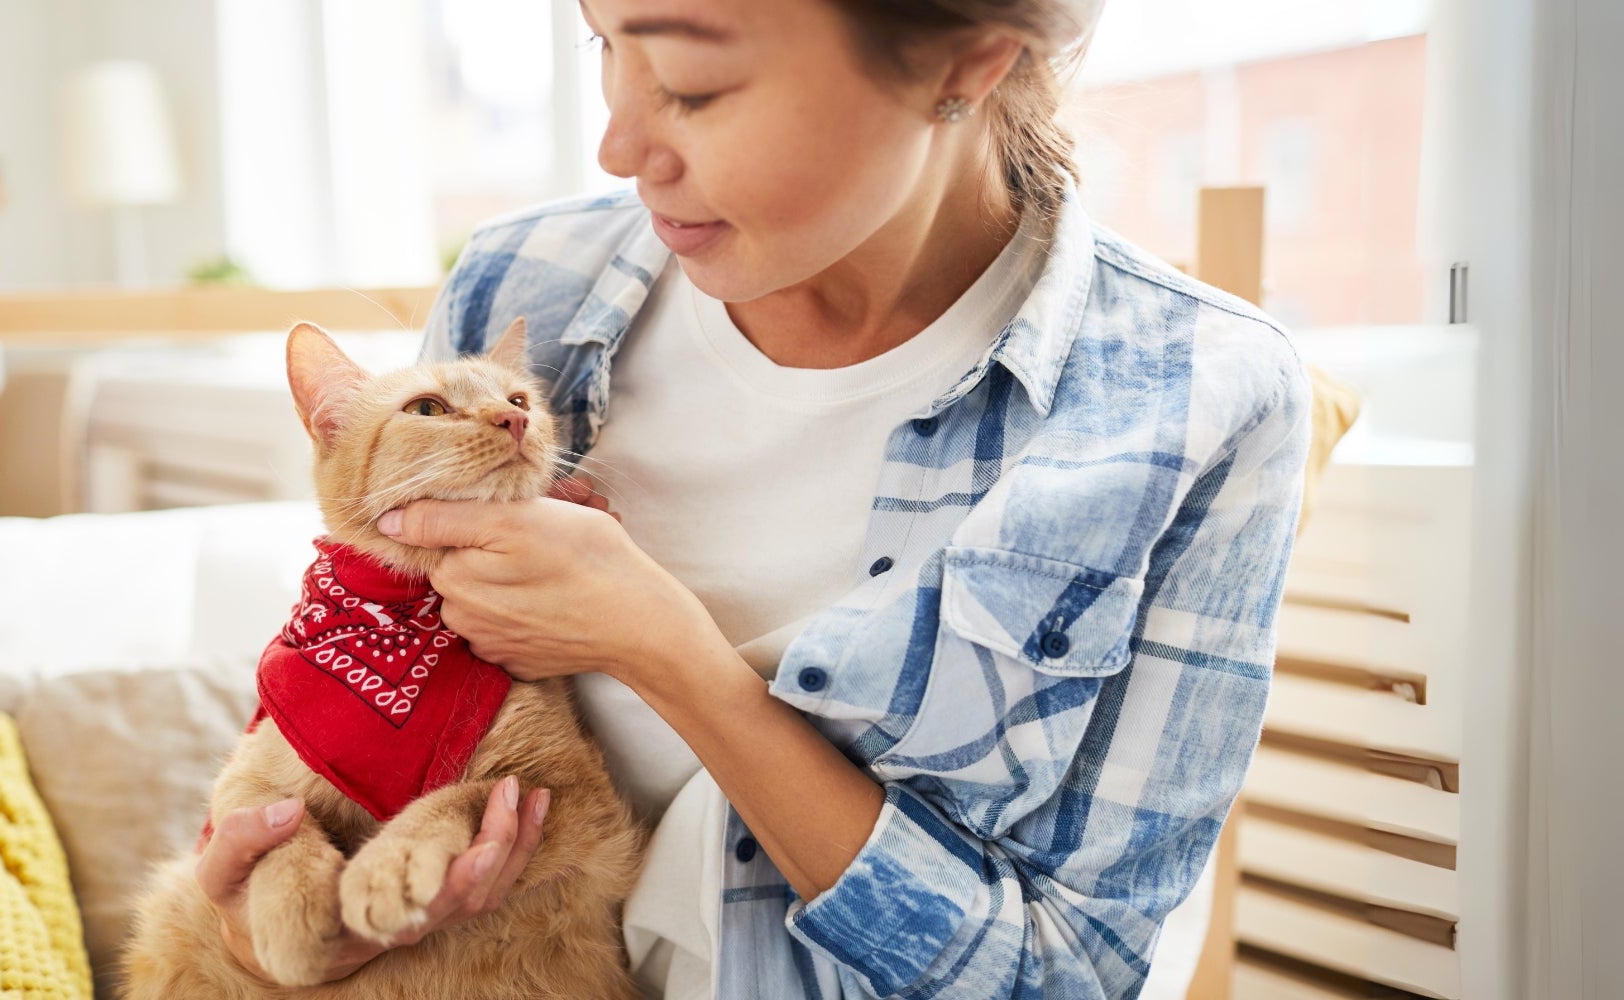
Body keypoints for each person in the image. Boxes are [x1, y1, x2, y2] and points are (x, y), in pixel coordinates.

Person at [197, 0, 1312, 996]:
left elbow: (1055, 975)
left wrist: (663, 650)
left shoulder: (1194, 398)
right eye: (602, 42)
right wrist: (281, 922)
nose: (619, 143)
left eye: (691, 83)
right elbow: (361, 696)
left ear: (966, 63)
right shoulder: (520, 284)